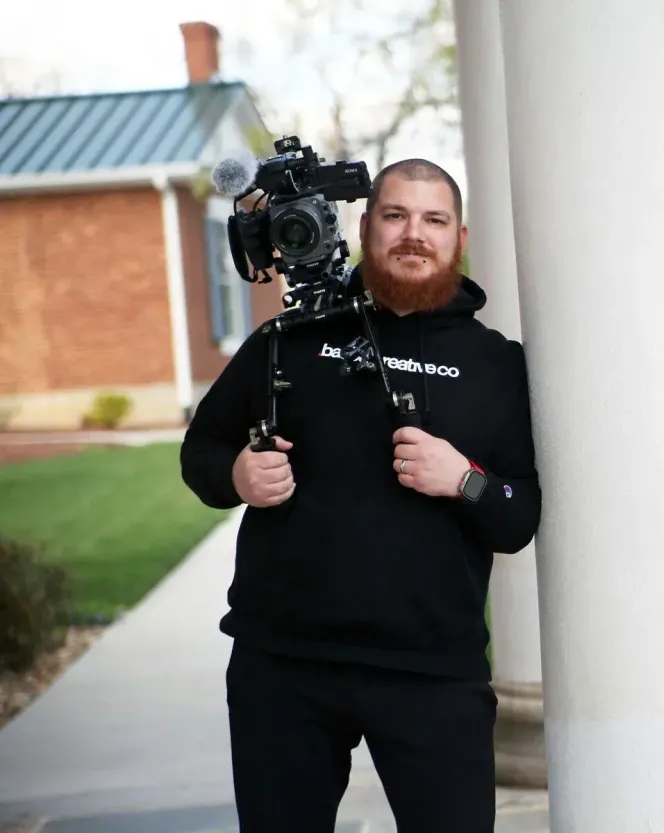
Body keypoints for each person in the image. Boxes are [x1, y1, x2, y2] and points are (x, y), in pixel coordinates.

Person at [179, 158, 541, 833]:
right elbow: (200, 451)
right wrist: (238, 476)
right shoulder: (288, 341)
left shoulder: (496, 366)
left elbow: (518, 516)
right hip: (284, 665)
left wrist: (464, 478)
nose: (414, 233)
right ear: (366, 225)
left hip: (432, 671)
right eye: (396, 215)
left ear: (459, 238)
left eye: (433, 220)